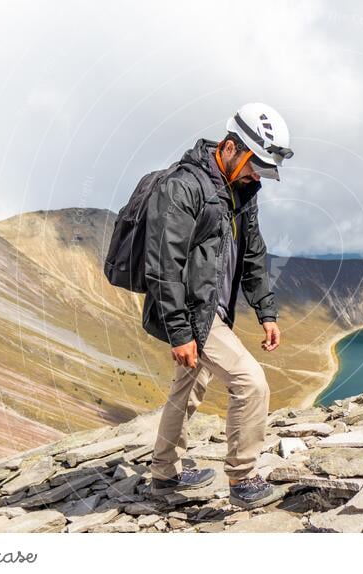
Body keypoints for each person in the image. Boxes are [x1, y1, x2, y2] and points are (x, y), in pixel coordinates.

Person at [142, 102, 294, 509]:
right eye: (253, 164)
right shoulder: (182, 187)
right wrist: (180, 331)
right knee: (251, 383)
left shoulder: (243, 190)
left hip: (214, 311)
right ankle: (243, 479)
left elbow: (253, 253)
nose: (256, 174)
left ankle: (164, 475)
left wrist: (266, 310)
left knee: (187, 390)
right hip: (194, 314)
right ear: (230, 147)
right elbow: (163, 264)